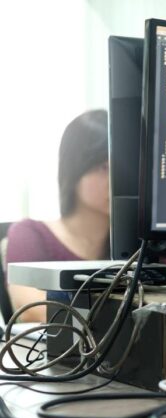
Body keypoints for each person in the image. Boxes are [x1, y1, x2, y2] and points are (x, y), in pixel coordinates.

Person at [6, 110, 109, 323]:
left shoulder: (138, 242)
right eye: (104, 167)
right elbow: (31, 309)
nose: (118, 179)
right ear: (75, 171)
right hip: (63, 355)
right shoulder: (30, 234)